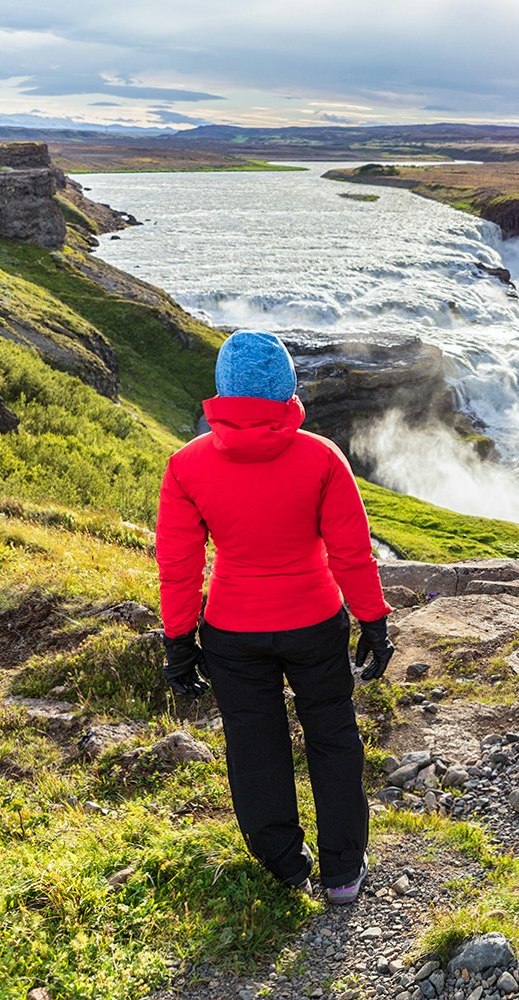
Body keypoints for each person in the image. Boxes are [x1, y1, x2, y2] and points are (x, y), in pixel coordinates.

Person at [154, 329, 395, 906]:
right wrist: (373, 621)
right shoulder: (321, 458)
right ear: (287, 386)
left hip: (232, 633)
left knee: (254, 746)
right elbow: (351, 553)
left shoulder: (186, 467)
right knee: (333, 737)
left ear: (222, 390)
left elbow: (179, 566)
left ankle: (286, 867)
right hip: (314, 623)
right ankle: (342, 874)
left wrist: (179, 640)